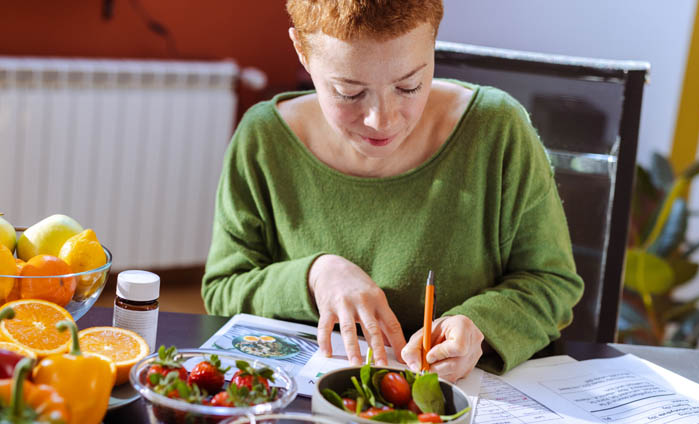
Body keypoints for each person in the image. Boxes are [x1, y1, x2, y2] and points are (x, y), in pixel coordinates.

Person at [202, 0, 584, 382]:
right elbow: (223, 290)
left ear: (433, 44)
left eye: (409, 85)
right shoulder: (264, 139)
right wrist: (315, 276)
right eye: (349, 92)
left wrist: (480, 325)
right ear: (302, 51)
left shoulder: (497, 129)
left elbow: (552, 283)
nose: (381, 120)